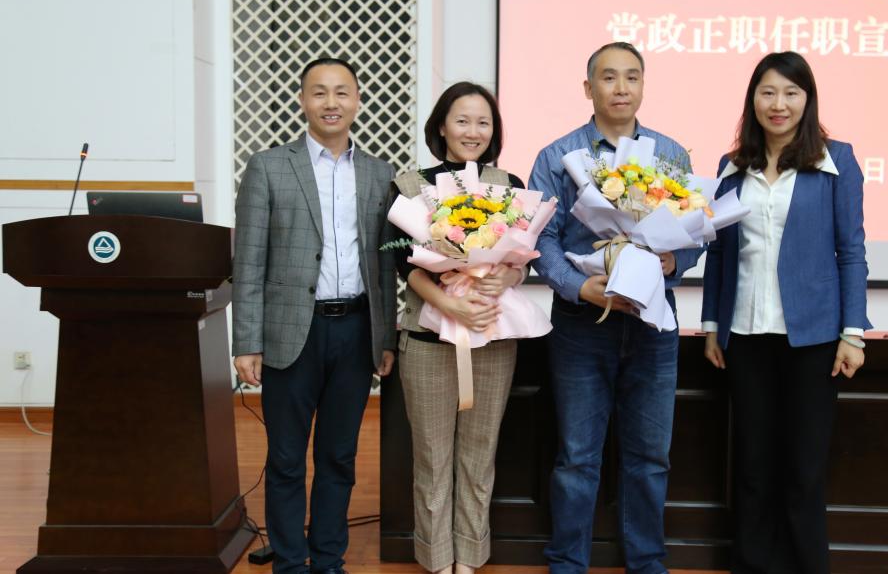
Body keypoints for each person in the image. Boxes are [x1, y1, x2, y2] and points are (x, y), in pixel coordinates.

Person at [529, 42, 704, 574]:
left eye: (631, 77)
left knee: (651, 456)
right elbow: (541, 238)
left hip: (652, 325)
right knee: (577, 457)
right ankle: (567, 562)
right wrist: (576, 287)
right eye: (608, 77)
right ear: (589, 88)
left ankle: (647, 562)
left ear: (643, 86)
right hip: (581, 325)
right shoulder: (557, 156)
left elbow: (695, 230)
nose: (621, 88)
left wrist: (674, 261)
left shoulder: (670, 154)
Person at [701, 51, 871, 574]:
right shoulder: (732, 167)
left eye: (791, 93)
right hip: (745, 335)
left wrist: (853, 333)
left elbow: (852, 251)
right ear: (753, 99)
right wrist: (711, 324)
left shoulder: (836, 161)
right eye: (768, 92)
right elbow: (719, 253)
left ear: (807, 99)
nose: (779, 104)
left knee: (803, 471)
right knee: (753, 468)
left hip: (813, 339)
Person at [232, 57, 397, 574]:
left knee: (338, 457)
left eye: (342, 92)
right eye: (320, 92)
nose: (331, 103)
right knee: (285, 458)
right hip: (290, 333)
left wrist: (385, 337)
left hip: (356, 330)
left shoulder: (379, 173)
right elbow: (249, 260)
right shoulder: (268, 166)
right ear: (303, 100)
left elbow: (384, 264)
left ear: (357, 101)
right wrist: (246, 341)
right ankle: (289, 562)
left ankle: (328, 560)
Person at [389, 82, 524, 574]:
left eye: (483, 122)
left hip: (491, 336)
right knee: (432, 458)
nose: (473, 131)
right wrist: (451, 304)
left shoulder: (509, 185)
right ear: (442, 126)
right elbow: (403, 264)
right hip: (428, 339)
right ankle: (437, 559)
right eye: (462, 120)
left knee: (479, 455)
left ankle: (469, 555)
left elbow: (521, 260)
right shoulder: (410, 186)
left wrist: (508, 276)